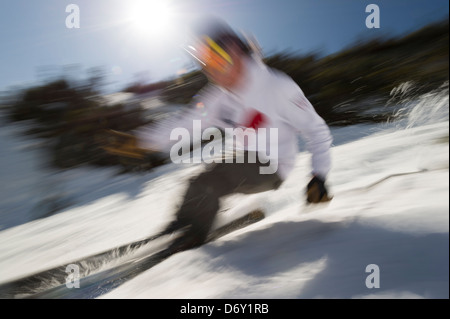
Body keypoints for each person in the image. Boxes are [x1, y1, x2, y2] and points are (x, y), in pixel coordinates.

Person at [135, 18, 333, 251]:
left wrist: (318, 176)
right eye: (205, 61)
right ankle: (182, 226)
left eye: (218, 59)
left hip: (275, 165)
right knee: (197, 181)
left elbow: (316, 130)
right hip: (246, 156)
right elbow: (185, 123)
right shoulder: (218, 95)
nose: (212, 69)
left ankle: (191, 238)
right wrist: (140, 141)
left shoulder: (276, 86)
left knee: (209, 182)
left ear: (237, 52)